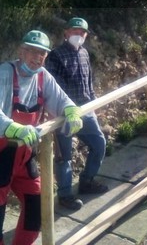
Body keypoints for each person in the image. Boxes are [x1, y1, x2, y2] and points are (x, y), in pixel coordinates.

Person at [0, 30, 83, 245]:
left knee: (37, 207)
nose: (38, 58)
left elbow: (61, 100)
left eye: (42, 54)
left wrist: (72, 111)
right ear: (21, 51)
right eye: (33, 52)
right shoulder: (5, 74)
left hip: (25, 156)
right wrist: (13, 128)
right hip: (1, 154)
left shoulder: (43, 76)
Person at [45, 17, 108, 211]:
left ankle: (86, 181)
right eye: (74, 31)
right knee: (65, 157)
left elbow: (88, 81)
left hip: (86, 110)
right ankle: (65, 195)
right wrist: (62, 110)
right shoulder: (55, 55)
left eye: (82, 33)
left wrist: (94, 104)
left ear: (86, 35)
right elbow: (53, 87)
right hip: (63, 114)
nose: (78, 35)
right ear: (66, 33)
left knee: (99, 144)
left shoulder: (85, 54)